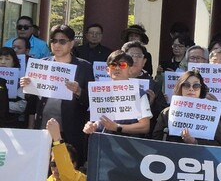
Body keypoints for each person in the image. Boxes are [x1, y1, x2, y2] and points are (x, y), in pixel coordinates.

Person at [20, 24, 93, 165]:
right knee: (42, 167)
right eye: (53, 41)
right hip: (43, 127)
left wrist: (78, 91)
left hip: (70, 129)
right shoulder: (42, 64)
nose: (57, 45)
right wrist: (27, 86)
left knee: (68, 168)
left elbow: (91, 101)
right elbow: (32, 100)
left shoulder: (84, 67)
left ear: (72, 43)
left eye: (62, 41)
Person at [83, 50, 151, 137]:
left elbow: (144, 126)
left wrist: (117, 127)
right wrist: (92, 126)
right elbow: (100, 120)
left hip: (128, 143)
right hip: (103, 142)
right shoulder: (100, 92)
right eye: (113, 65)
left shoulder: (138, 94)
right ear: (107, 70)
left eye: (122, 65)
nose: (117, 68)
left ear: (130, 69)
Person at [152, 70, 221, 145]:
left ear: (201, 89)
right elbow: (156, 139)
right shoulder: (167, 113)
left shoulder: (211, 113)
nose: (191, 89)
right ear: (180, 87)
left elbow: (218, 143)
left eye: (196, 86)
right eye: (186, 85)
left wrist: (195, 142)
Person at [122, 41, 167, 135]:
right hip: (115, 133)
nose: (134, 59)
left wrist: (151, 104)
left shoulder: (152, 85)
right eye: (131, 55)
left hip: (141, 135)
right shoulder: (114, 81)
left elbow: (162, 114)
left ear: (144, 62)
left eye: (139, 56)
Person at [0, 47, 26, 127]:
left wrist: (4, 105)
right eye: (0, 59)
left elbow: (21, 106)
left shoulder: (21, 82)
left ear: (14, 62)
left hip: (11, 123)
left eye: (7, 59)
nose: (3, 62)